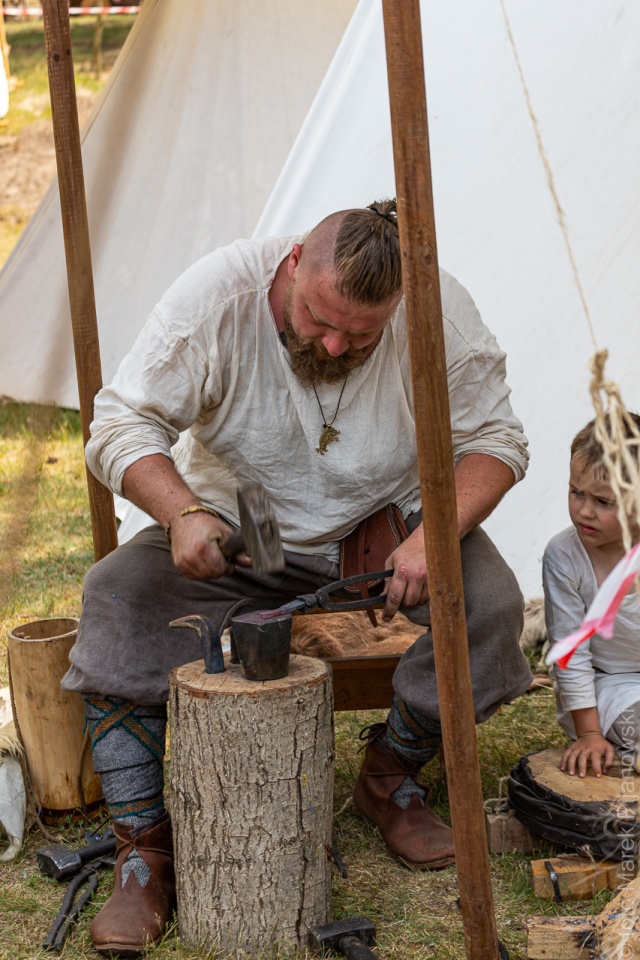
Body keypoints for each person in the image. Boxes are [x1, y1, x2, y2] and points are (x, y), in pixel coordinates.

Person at [62, 200, 531, 956]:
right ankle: (143, 850)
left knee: (489, 604)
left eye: (362, 334)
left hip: (381, 534)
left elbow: (497, 439)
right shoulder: (218, 298)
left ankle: (388, 779)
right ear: (291, 267)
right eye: (319, 318)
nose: (338, 343)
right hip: (244, 532)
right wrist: (181, 513)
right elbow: (120, 424)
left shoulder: (437, 307)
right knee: (116, 597)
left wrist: (434, 539)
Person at [543, 415, 640, 781]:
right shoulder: (565, 556)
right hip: (610, 686)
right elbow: (572, 656)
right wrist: (589, 734)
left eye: (603, 501)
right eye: (576, 492)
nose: (585, 510)